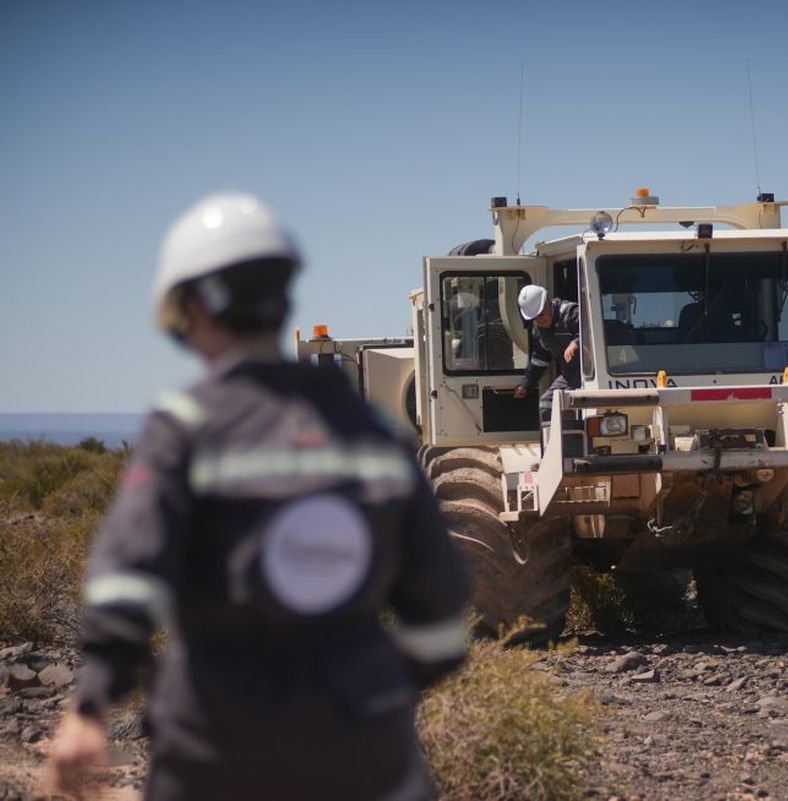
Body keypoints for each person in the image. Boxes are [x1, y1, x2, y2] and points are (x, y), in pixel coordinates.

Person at [45, 192, 471, 801]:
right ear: (281, 299)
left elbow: (128, 580)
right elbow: (441, 612)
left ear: (191, 308)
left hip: (215, 751)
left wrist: (90, 707)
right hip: (369, 755)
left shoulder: (185, 427)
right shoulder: (375, 436)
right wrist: (368, 691)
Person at [511, 284, 581, 422]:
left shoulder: (570, 312)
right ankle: (551, 442)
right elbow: (540, 358)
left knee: (575, 401)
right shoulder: (538, 331)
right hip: (569, 374)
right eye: (535, 318)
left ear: (548, 302)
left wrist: (576, 342)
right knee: (547, 403)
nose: (540, 320)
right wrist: (526, 384)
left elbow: (594, 331)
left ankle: (576, 439)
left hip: (589, 373)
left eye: (541, 315)